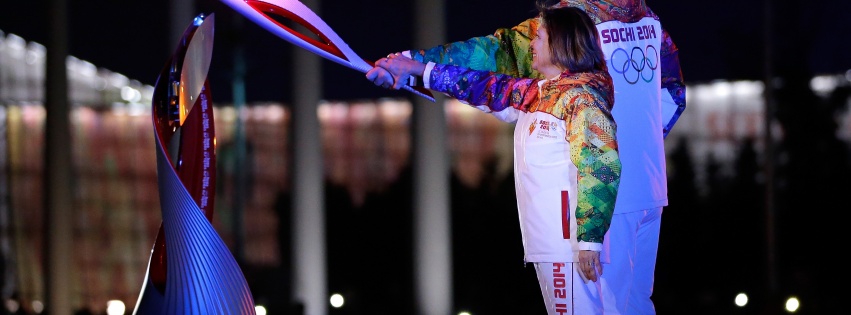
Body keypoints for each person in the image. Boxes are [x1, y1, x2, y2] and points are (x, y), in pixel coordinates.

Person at [367, 1, 685, 314]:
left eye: (539, 38)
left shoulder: (569, 23)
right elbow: (673, 95)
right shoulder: (648, 19)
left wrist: (410, 62)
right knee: (634, 306)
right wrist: (417, 70)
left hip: (596, 203)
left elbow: (495, 54)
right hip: (647, 189)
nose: (534, 42)